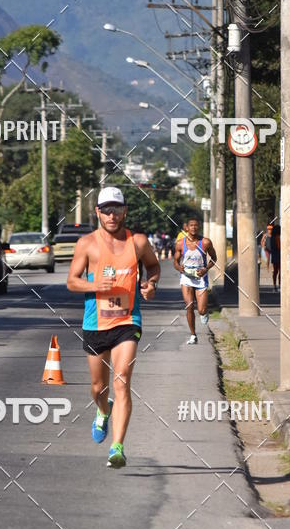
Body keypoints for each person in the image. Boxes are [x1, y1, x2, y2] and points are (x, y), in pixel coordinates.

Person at [66, 187, 160, 468]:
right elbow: (72, 281)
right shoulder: (87, 244)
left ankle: (117, 447)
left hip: (128, 321)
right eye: (106, 209)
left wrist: (150, 284)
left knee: (122, 381)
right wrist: (94, 285)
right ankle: (101, 410)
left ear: (125, 211)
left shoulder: (139, 242)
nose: (111, 214)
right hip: (95, 323)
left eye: (116, 209)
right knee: (98, 387)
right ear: (97, 212)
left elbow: (154, 267)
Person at [173, 217, 217, 345]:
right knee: (189, 306)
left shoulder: (205, 242)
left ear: (199, 227)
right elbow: (175, 261)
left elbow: (214, 258)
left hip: (200, 277)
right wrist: (179, 268)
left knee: (201, 310)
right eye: (191, 225)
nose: (193, 228)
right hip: (186, 278)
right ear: (186, 227)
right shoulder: (181, 244)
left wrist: (206, 269)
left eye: (196, 225)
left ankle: (204, 312)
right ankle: (193, 335)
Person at [270, 222, 281, 291]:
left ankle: (274, 285)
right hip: (279, 256)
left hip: (274, 256)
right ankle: (280, 285)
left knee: (275, 271)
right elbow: (279, 247)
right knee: (280, 271)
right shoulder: (277, 237)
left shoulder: (271, 238)